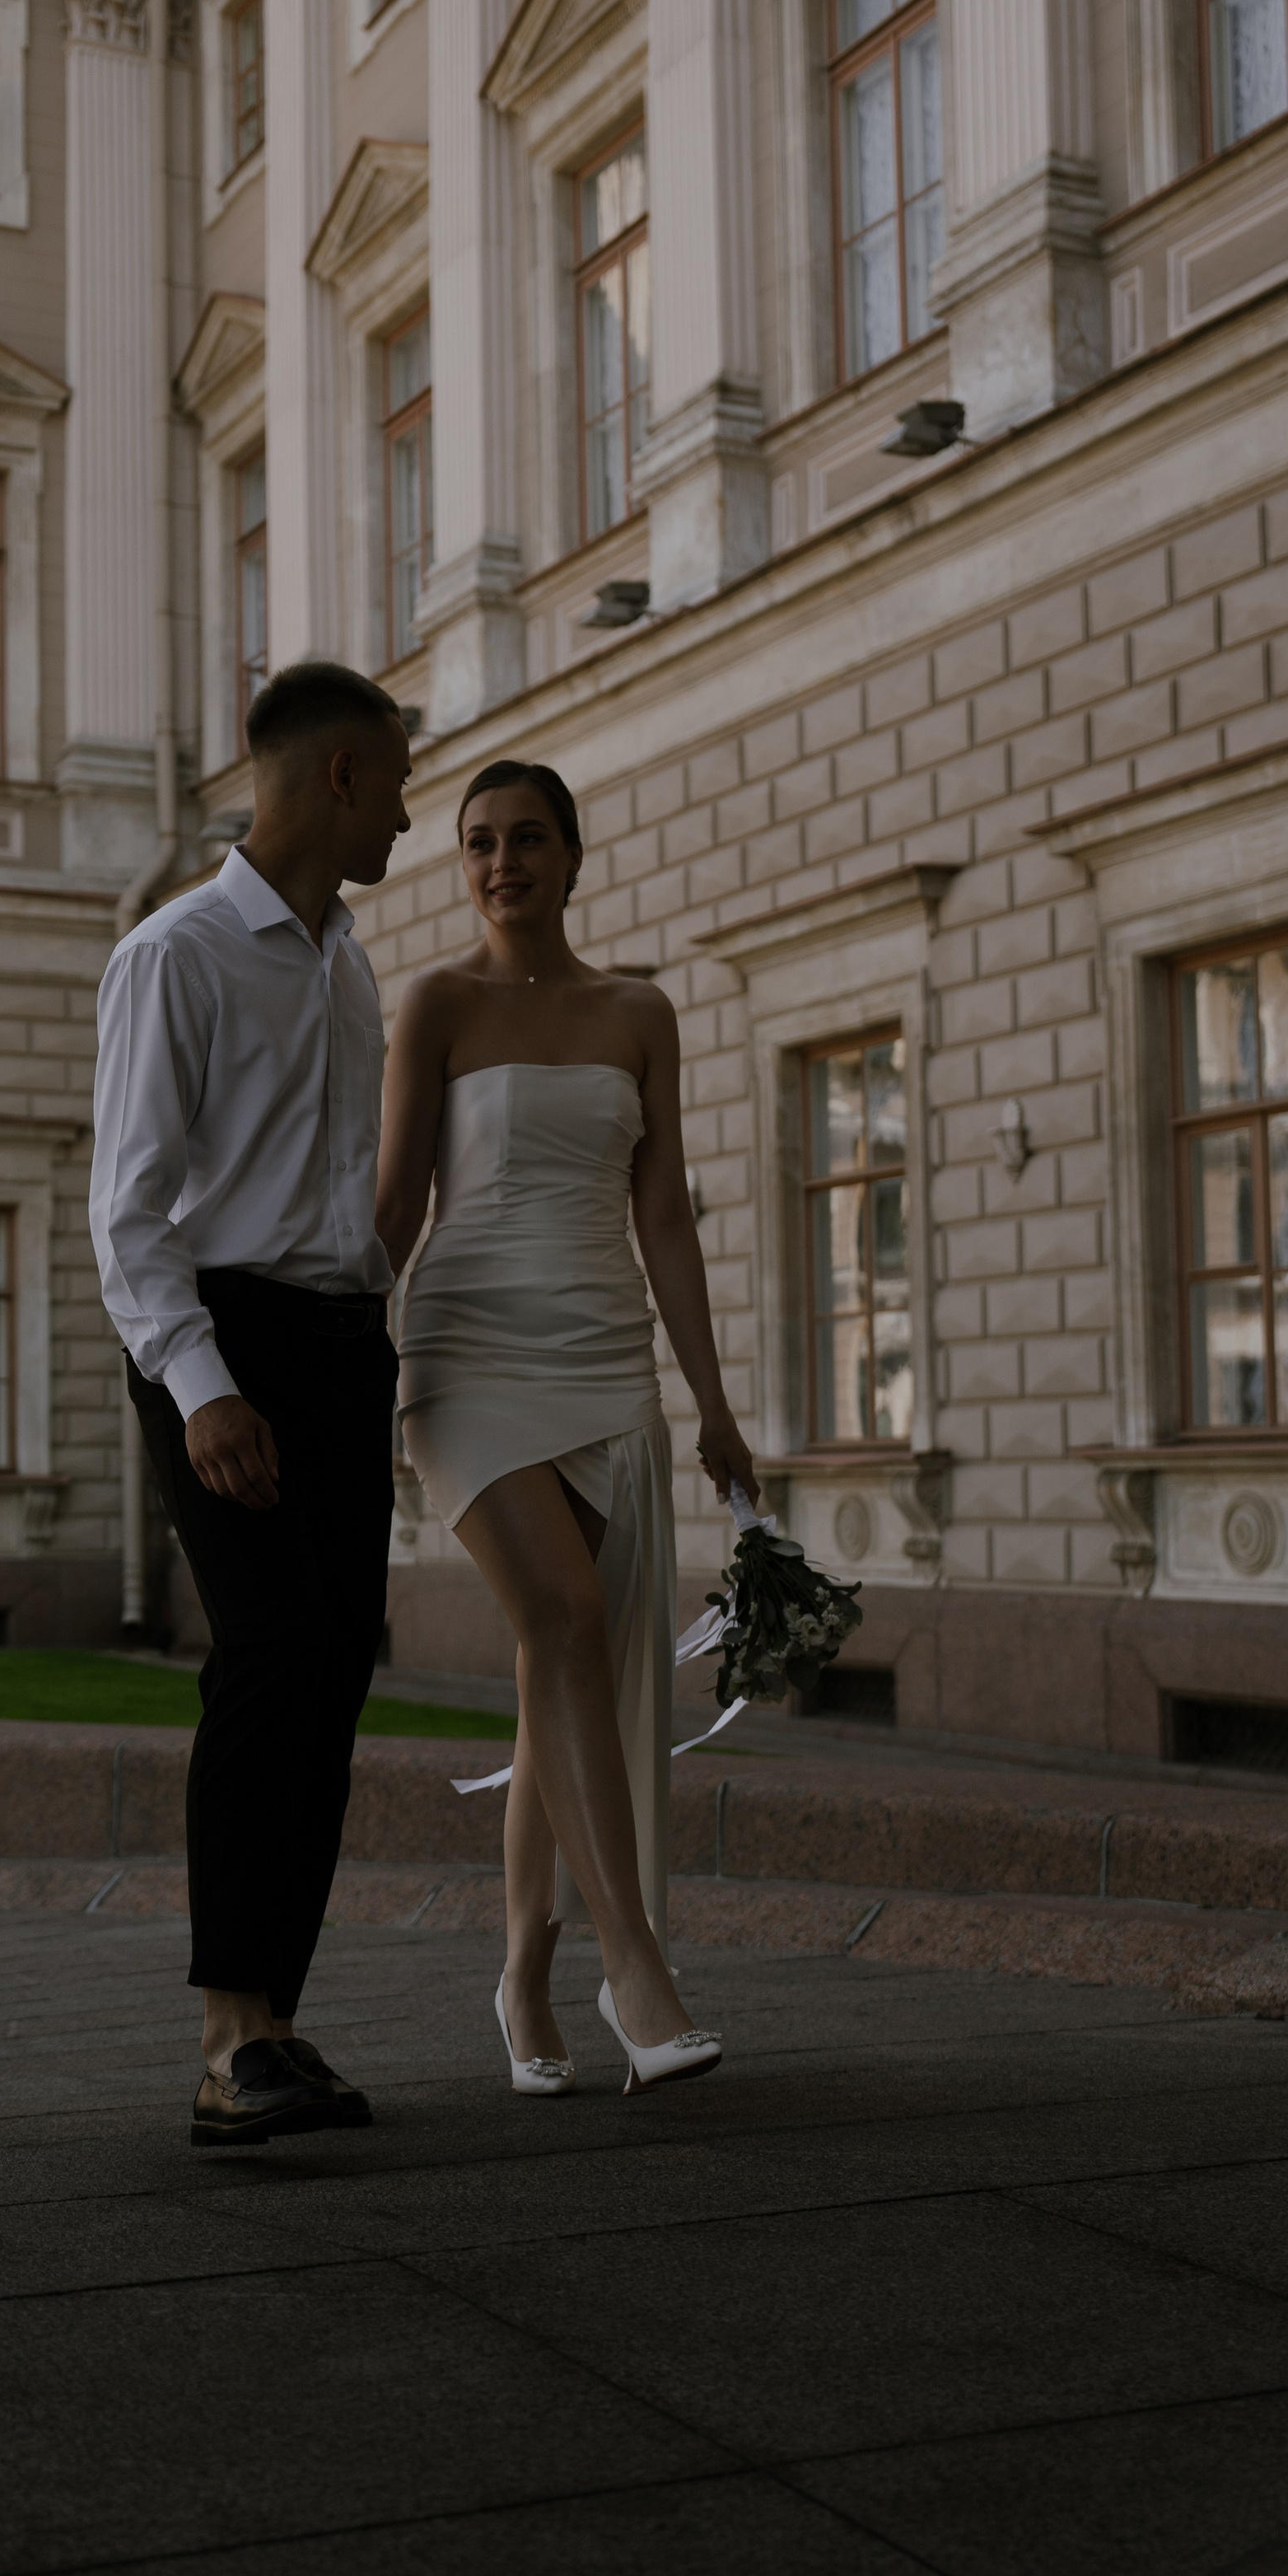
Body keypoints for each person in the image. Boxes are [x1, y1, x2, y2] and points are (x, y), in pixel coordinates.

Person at [376, 759, 758, 2097]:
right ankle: (633, 1966)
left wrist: (711, 1400)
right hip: (466, 1352)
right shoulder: (434, 1002)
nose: (500, 863)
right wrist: (311, 1358)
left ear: (575, 854)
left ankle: (523, 1970)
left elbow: (665, 1217)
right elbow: (389, 1208)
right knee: (570, 1625)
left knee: (564, 1665)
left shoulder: (639, 1012)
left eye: (527, 838)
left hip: (602, 1359)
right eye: (478, 843)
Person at [91, 662, 412, 2147]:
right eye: (399, 780)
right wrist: (205, 1385)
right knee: (272, 1656)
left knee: (338, 1662)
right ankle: (230, 2049)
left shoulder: (346, 960)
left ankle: (277, 2022)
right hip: (227, 1345)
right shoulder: (182, 953)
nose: (413, 811)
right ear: (338, 773)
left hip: (344, 1344)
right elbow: (130, 1211)